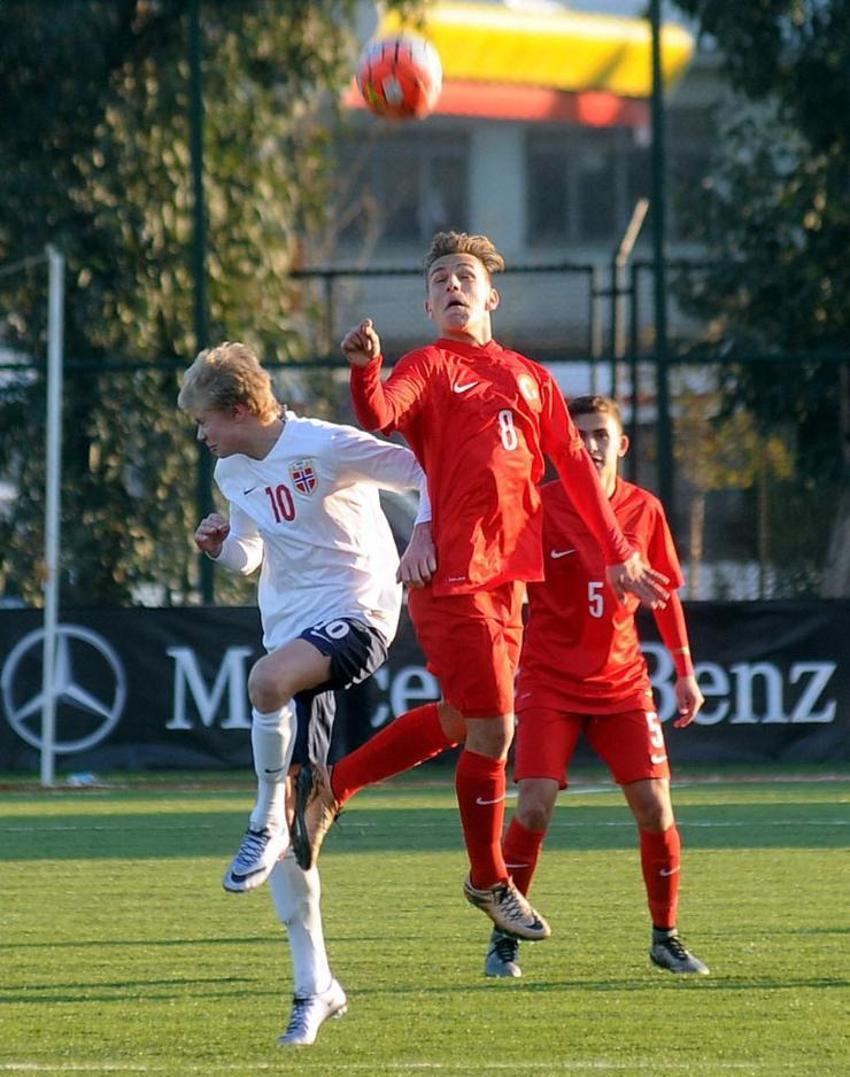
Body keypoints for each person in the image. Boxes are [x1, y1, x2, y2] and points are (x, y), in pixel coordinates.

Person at [293, 231, 670, 944]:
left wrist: (618, 551)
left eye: (464, 276)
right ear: (429, 304)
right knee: (496, 727)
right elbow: (380, 415)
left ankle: (332, 785)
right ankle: (488, 878)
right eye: (440, 281)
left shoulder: (532, 377)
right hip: (453, 577)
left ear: (491, 296)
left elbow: (578, 472)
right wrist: (367, 368)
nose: (453, 287)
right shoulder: (430, 365)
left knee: (463, 722)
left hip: (509, 581)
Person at [177, 341, 433, 1046]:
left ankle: (260, 816)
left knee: (264, 680)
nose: (202, 437)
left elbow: (422, 467)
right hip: (292, 627)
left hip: (358, 615)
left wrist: (424, 539)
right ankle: (313, 983)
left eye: (206, 421)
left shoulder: (323, 444)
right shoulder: (235, 469)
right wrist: (221, 545)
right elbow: (251, 554)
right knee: (301, 831)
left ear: (238, 408)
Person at [483, 394, 708, 979]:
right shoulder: (539, 507)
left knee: (656, 807)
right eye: (579, 435)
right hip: (550, 680)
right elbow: (506, 583)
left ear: (621, 444)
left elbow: (666, 593)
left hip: (623, 683)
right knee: (533, 806)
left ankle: (666, 936)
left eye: (601, 434)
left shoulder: (645, 510)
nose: (590, 445)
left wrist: (684, 671)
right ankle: (504, 939)